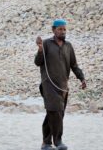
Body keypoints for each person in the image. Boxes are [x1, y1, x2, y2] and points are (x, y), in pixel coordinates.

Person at [35, 19, 87, 150]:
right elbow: (38, 62)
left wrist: (82, 78)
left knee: (54, 114)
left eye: (64, 29)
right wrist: (40, 49)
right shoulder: (46, 44)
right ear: (53, 30)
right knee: (56, 111)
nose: (62, 31)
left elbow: (74, 65)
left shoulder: (68, 46)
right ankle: (58, 142)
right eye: (60, 29)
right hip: (48, 85)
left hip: (63, 86)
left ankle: (46, 143)